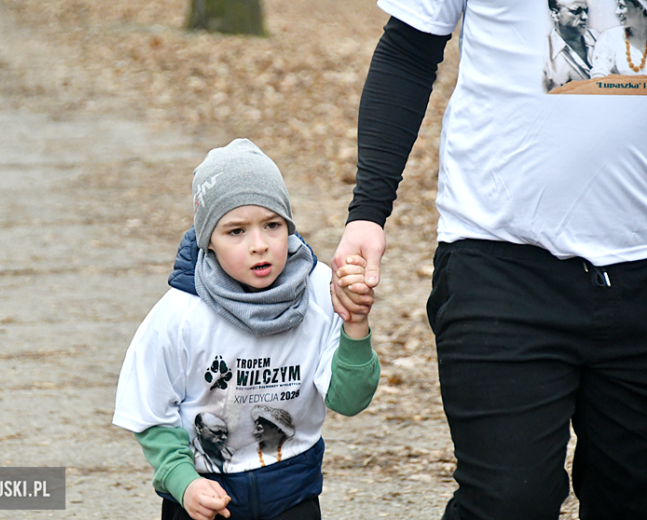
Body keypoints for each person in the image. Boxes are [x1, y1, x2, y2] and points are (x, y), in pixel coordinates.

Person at [331, 1, 647, 519]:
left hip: (639, 270)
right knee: (508, 501)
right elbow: (407, 52)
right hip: (500, 263)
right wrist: (368, 212)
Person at [114, 138, 381, 520]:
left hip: (292, 492)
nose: (259, 245)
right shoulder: (180, 314)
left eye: (272, 225)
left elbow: (349, 401)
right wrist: (183, 482)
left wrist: (355, 323)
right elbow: (151, 410)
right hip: (204, 494)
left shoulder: (322, 292)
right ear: (208, 240)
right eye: (236, 231)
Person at [543, 0, 599, 92]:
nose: (585, 17)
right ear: (555, 14)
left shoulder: (599, 39)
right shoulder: (544, 55)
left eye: (586, 11)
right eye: (576, 11)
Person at [590, 0, 647, 77]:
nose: (616, 12)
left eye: (622, 7)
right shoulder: (611, 37)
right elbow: (599, 72)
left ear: (640, 7)